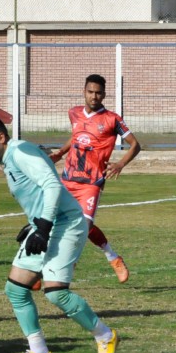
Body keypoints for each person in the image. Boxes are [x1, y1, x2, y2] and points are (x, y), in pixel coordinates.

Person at [0, 117, 119, 353]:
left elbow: (52, 184)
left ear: (1, 138)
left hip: (65, 223)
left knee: (56, 293)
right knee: (15, 290)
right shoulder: (9, 159)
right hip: (45, 224)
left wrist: (42, 225)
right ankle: (39, 351)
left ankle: (105, 336)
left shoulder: (20, 151)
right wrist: (35, 224)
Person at [50, 74, 141, 283]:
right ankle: (41, 269)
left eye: (98, 92)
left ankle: (112, 258)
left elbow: (135, 145)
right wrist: (60, 153)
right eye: (90, 92)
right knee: (55, 223)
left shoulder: (112, 119)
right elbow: (76, 136)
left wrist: (120, 164)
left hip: (92, 183)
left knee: (84, 226)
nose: (94, 96)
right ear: (84, 91)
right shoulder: (73, 113)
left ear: (104, 94)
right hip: (68, 179)